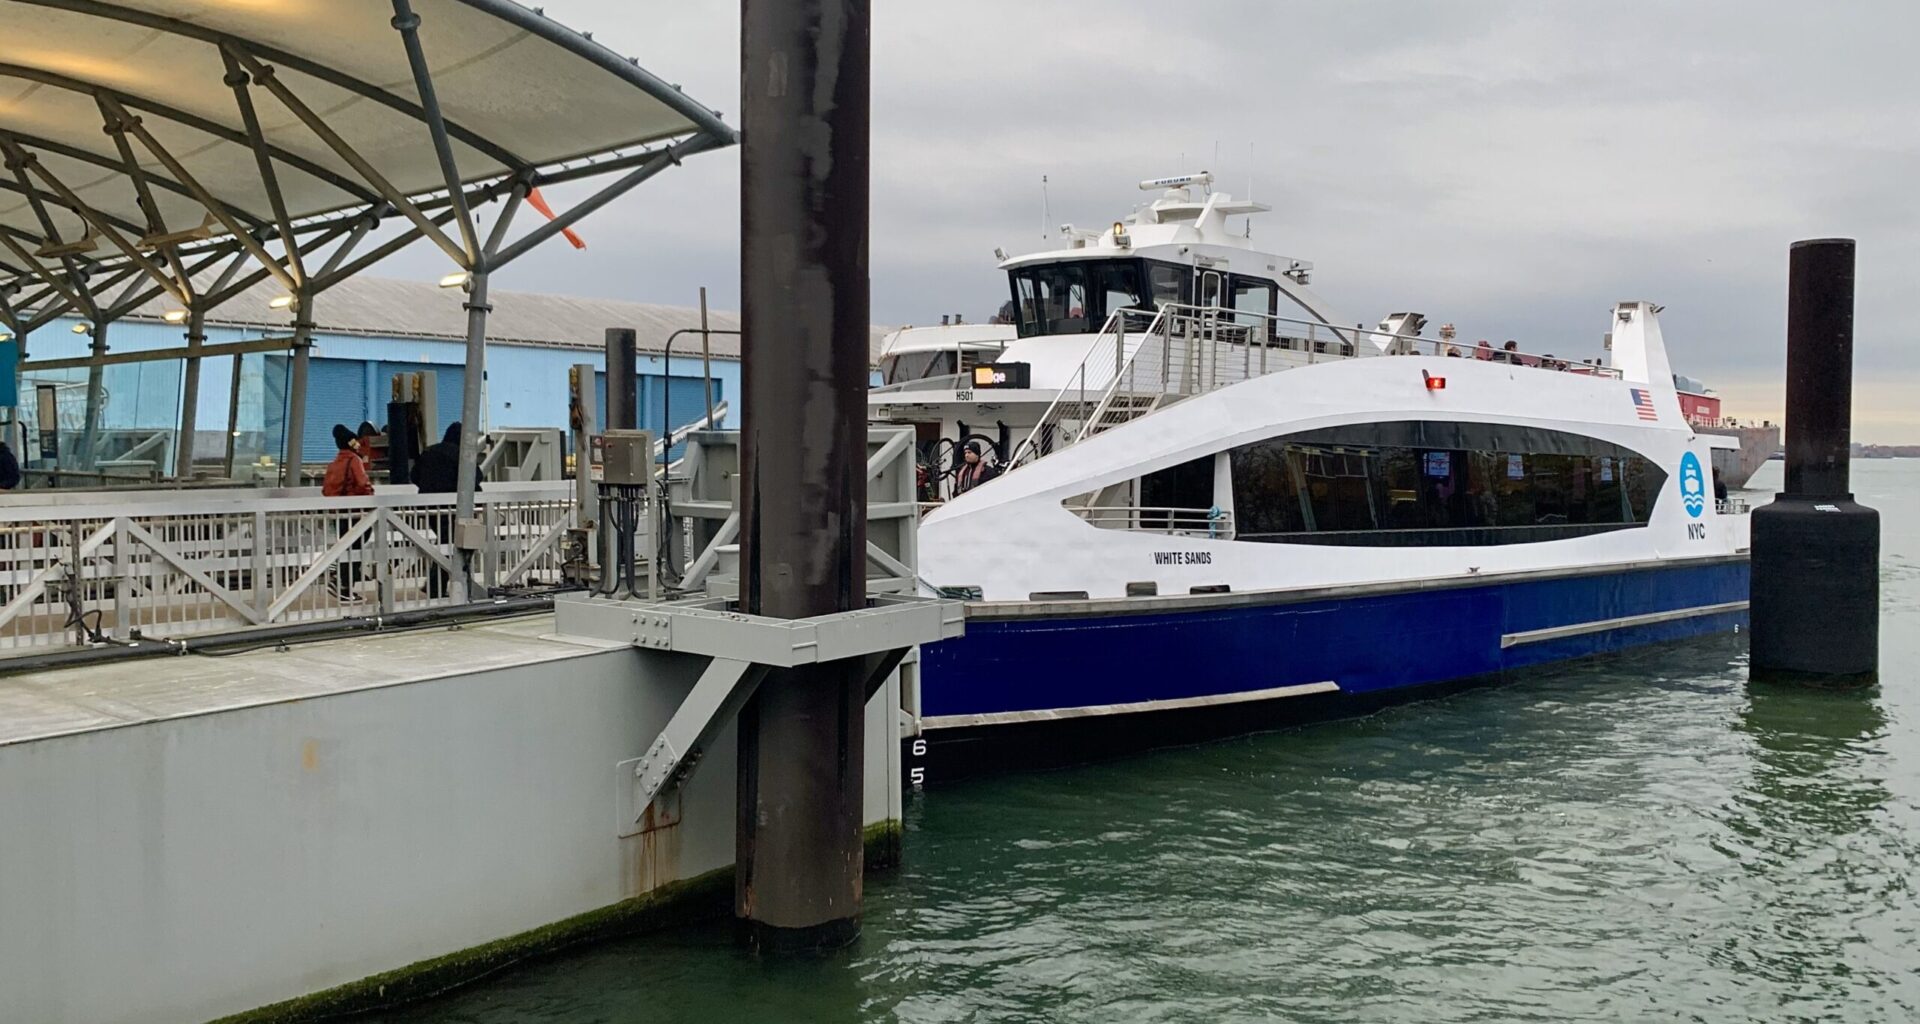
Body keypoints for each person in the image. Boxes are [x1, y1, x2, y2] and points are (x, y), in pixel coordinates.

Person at [321, 424, 374, 602]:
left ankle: (340, 579)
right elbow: (363, 484)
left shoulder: (334, 463)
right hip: (356, 512)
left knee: (346, 547)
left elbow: (326, 490)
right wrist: (370, 498)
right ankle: (344, 585)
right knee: (355, 549)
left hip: (339, 513)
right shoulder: (354, 460)